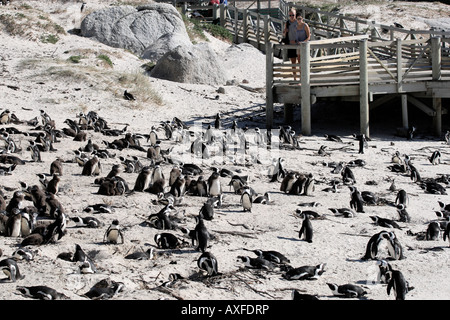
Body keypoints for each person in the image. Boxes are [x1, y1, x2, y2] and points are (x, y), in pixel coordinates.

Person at [283, 8, 299, 81]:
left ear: (295, 15)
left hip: (298, 45)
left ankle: (302, 79)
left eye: (293, 15)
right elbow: (284, 33)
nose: (291, 16)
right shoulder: (287, 23)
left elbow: (303, 33)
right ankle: (295, 79)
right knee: (293, 63)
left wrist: (296, 41)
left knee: (300, 62)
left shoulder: (298, 22)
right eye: (290, 15)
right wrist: (285, 31)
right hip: (290, 44)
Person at [295, 13, 311, 80]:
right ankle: (301, 76)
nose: (299, 20)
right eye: (298, 19)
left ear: (302, 19)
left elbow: (309, 36)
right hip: (298, 45)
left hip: (304, 45)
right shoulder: (295, 26)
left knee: (305, 60)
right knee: (299, 61)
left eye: (300, 19)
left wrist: (303, 42)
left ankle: (306, 76)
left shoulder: (305, 25)